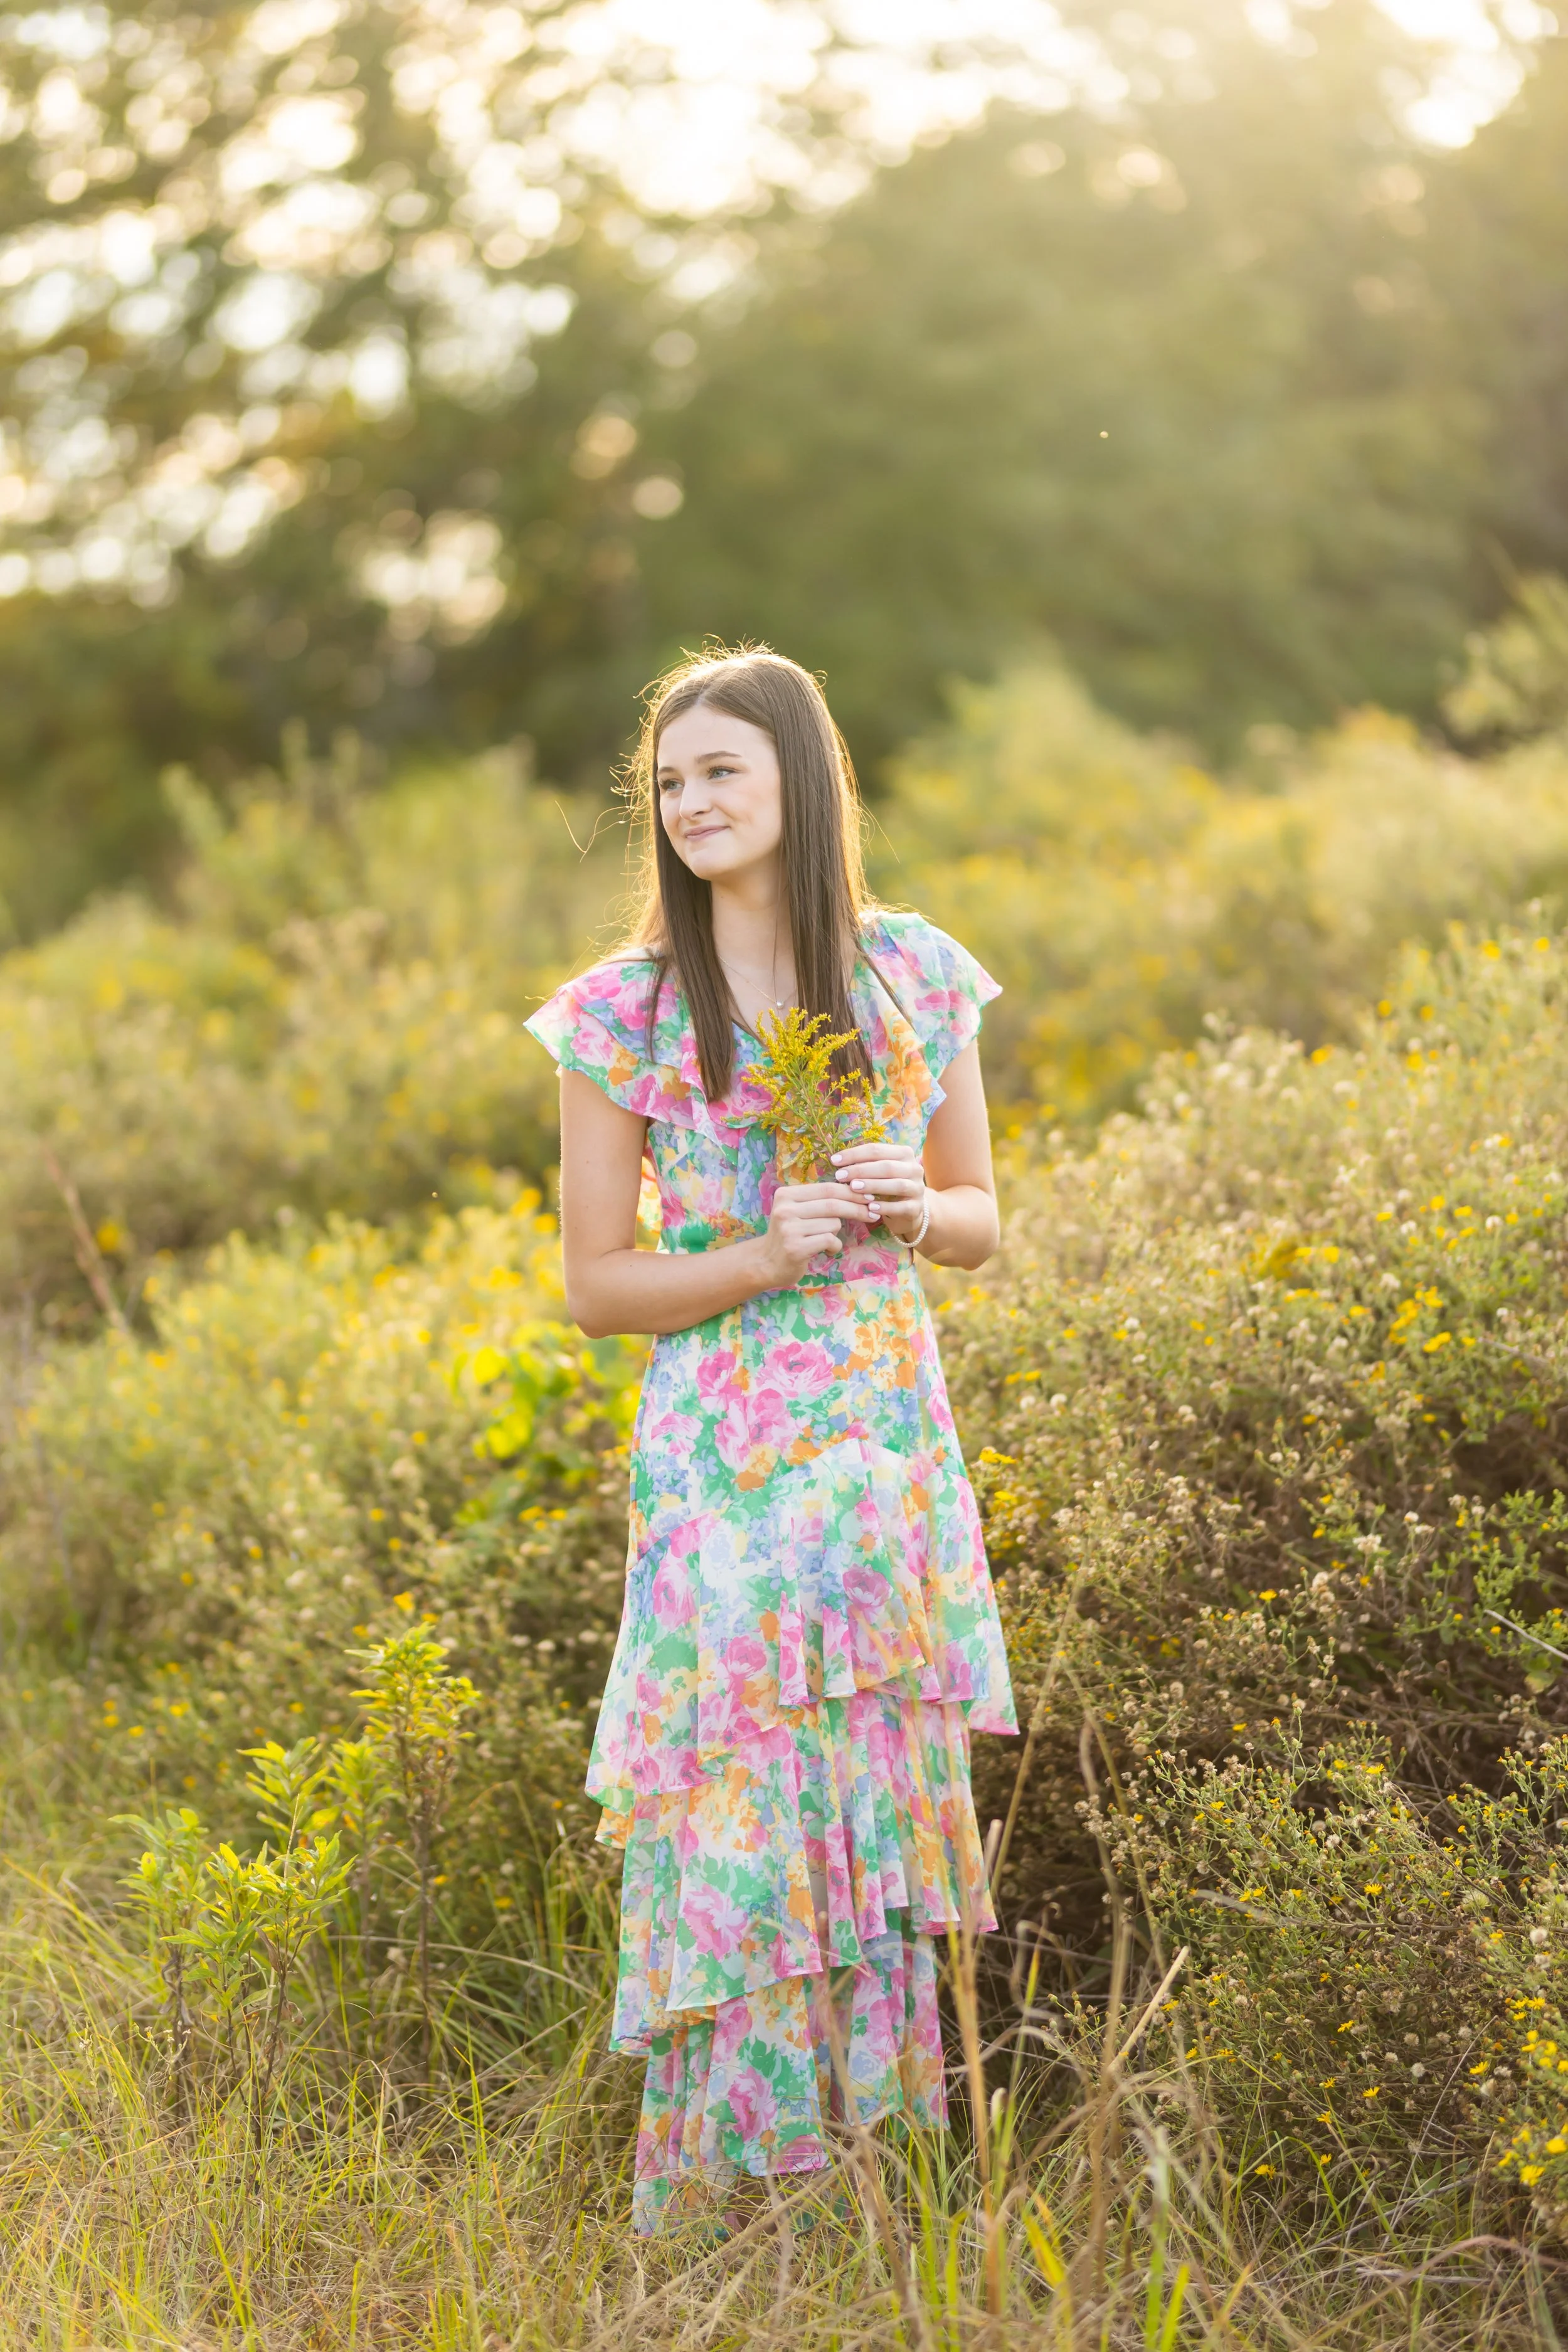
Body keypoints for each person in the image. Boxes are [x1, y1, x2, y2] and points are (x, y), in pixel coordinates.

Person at [524, 645, 1015, 2236]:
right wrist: (758, 1254)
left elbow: (981, 1221)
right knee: (740, 1794)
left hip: (879, 1441)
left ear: (802, 779)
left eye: (722, 771)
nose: (690, 804)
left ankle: (872, 2181)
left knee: (865, 1778)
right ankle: (732, 2190)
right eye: (668, 782)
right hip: (723, 1464)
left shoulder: (912, 975)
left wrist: (906, 1204)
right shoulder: (621, 1012)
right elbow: (599, 1284)